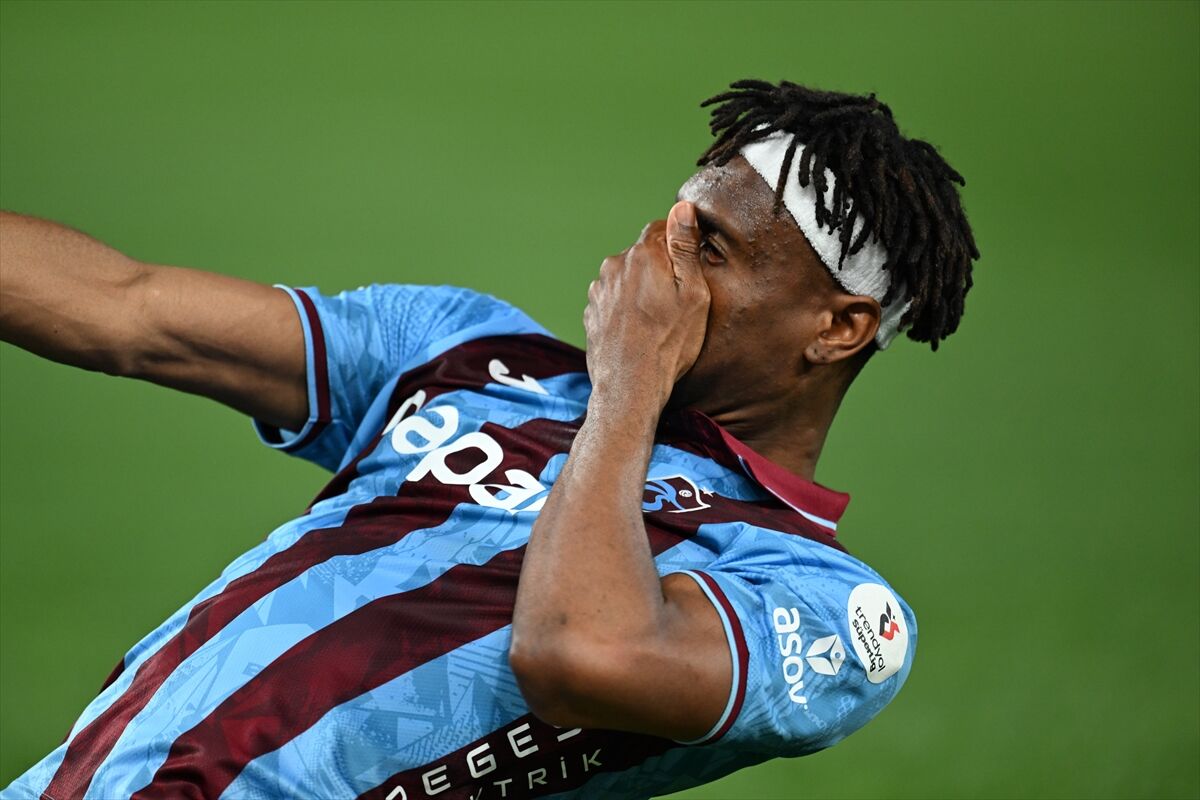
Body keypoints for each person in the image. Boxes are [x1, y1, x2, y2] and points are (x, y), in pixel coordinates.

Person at [0, 79, 978, 800]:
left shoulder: (821, 599)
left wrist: (629, 382)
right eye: (670, 225)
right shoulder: (468, 350)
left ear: (837, 328)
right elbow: (126, 309)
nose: (653, 263)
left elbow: (580, 653)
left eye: (709, 247)